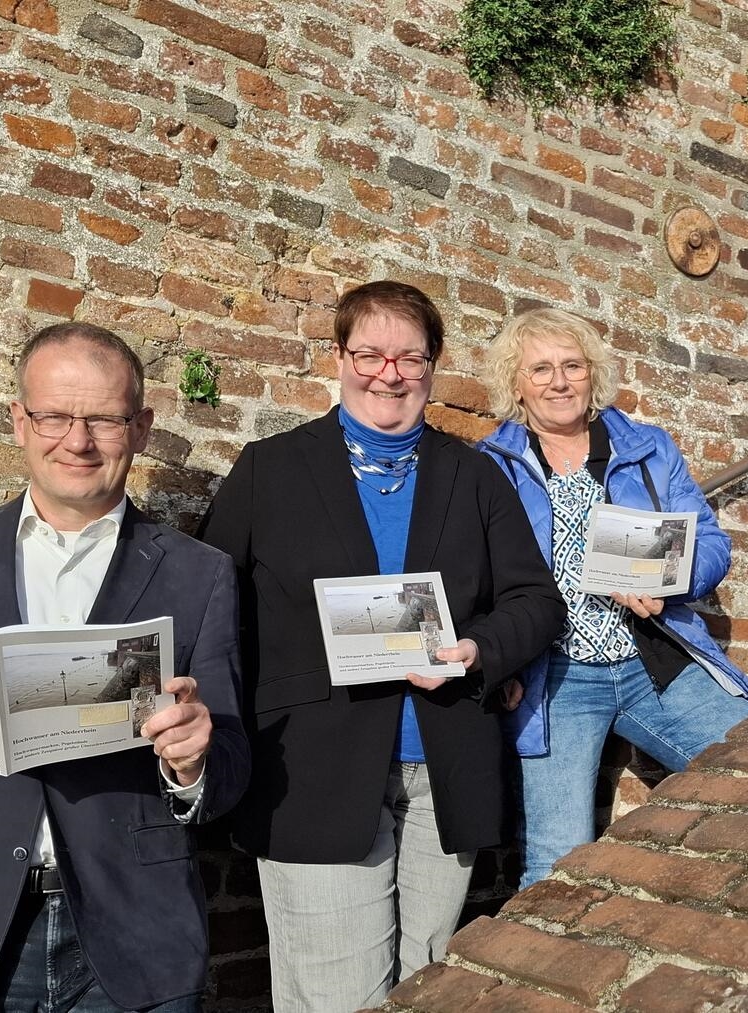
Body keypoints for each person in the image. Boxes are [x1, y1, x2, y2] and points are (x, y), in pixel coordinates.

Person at [197, 280, 565, 1010]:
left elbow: (536, 600)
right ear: (338, 357)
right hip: (311, 768)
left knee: (425, 984)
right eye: (369, 353)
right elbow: (209, 599)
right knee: (341, 996)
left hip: (444, 766)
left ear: (432, 365)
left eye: (410, 357)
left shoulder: (475, 475)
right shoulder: (270, 469)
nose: (388, 374)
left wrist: (478, 649)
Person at [0, 322, 249, 1012]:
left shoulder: (200, 575)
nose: (77, 441)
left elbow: (234, 766)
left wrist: (194, 761)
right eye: (54, 415)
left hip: (130, 929)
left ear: (142, 427)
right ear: (19, 421)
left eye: (104, 419)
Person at [478, 307, 748, 888]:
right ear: (516, 384)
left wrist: (666, 580)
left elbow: (709, 542)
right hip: (552, 678)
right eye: (540, 370)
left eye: (572, 366)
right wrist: (501, 655)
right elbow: (475, 575)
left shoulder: (647, 447)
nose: (559, 381)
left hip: (649, 657)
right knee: (555, 862)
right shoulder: (488, 465)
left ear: (592, 373)